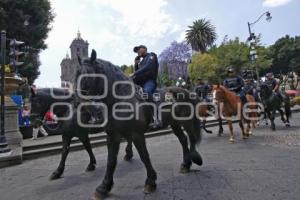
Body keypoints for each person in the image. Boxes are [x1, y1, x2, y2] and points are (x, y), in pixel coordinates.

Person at [131, 45, 161, 128]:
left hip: (150, 81)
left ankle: (157, 118)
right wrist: (136, 65)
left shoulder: (151, 56)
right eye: (136, 51)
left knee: (146, 92)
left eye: (139, 49)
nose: (138, 52)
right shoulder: (140, 62)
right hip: (140, 83)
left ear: (144, 48)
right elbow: (137, 73)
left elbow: (149, 66)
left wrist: (134, 73)